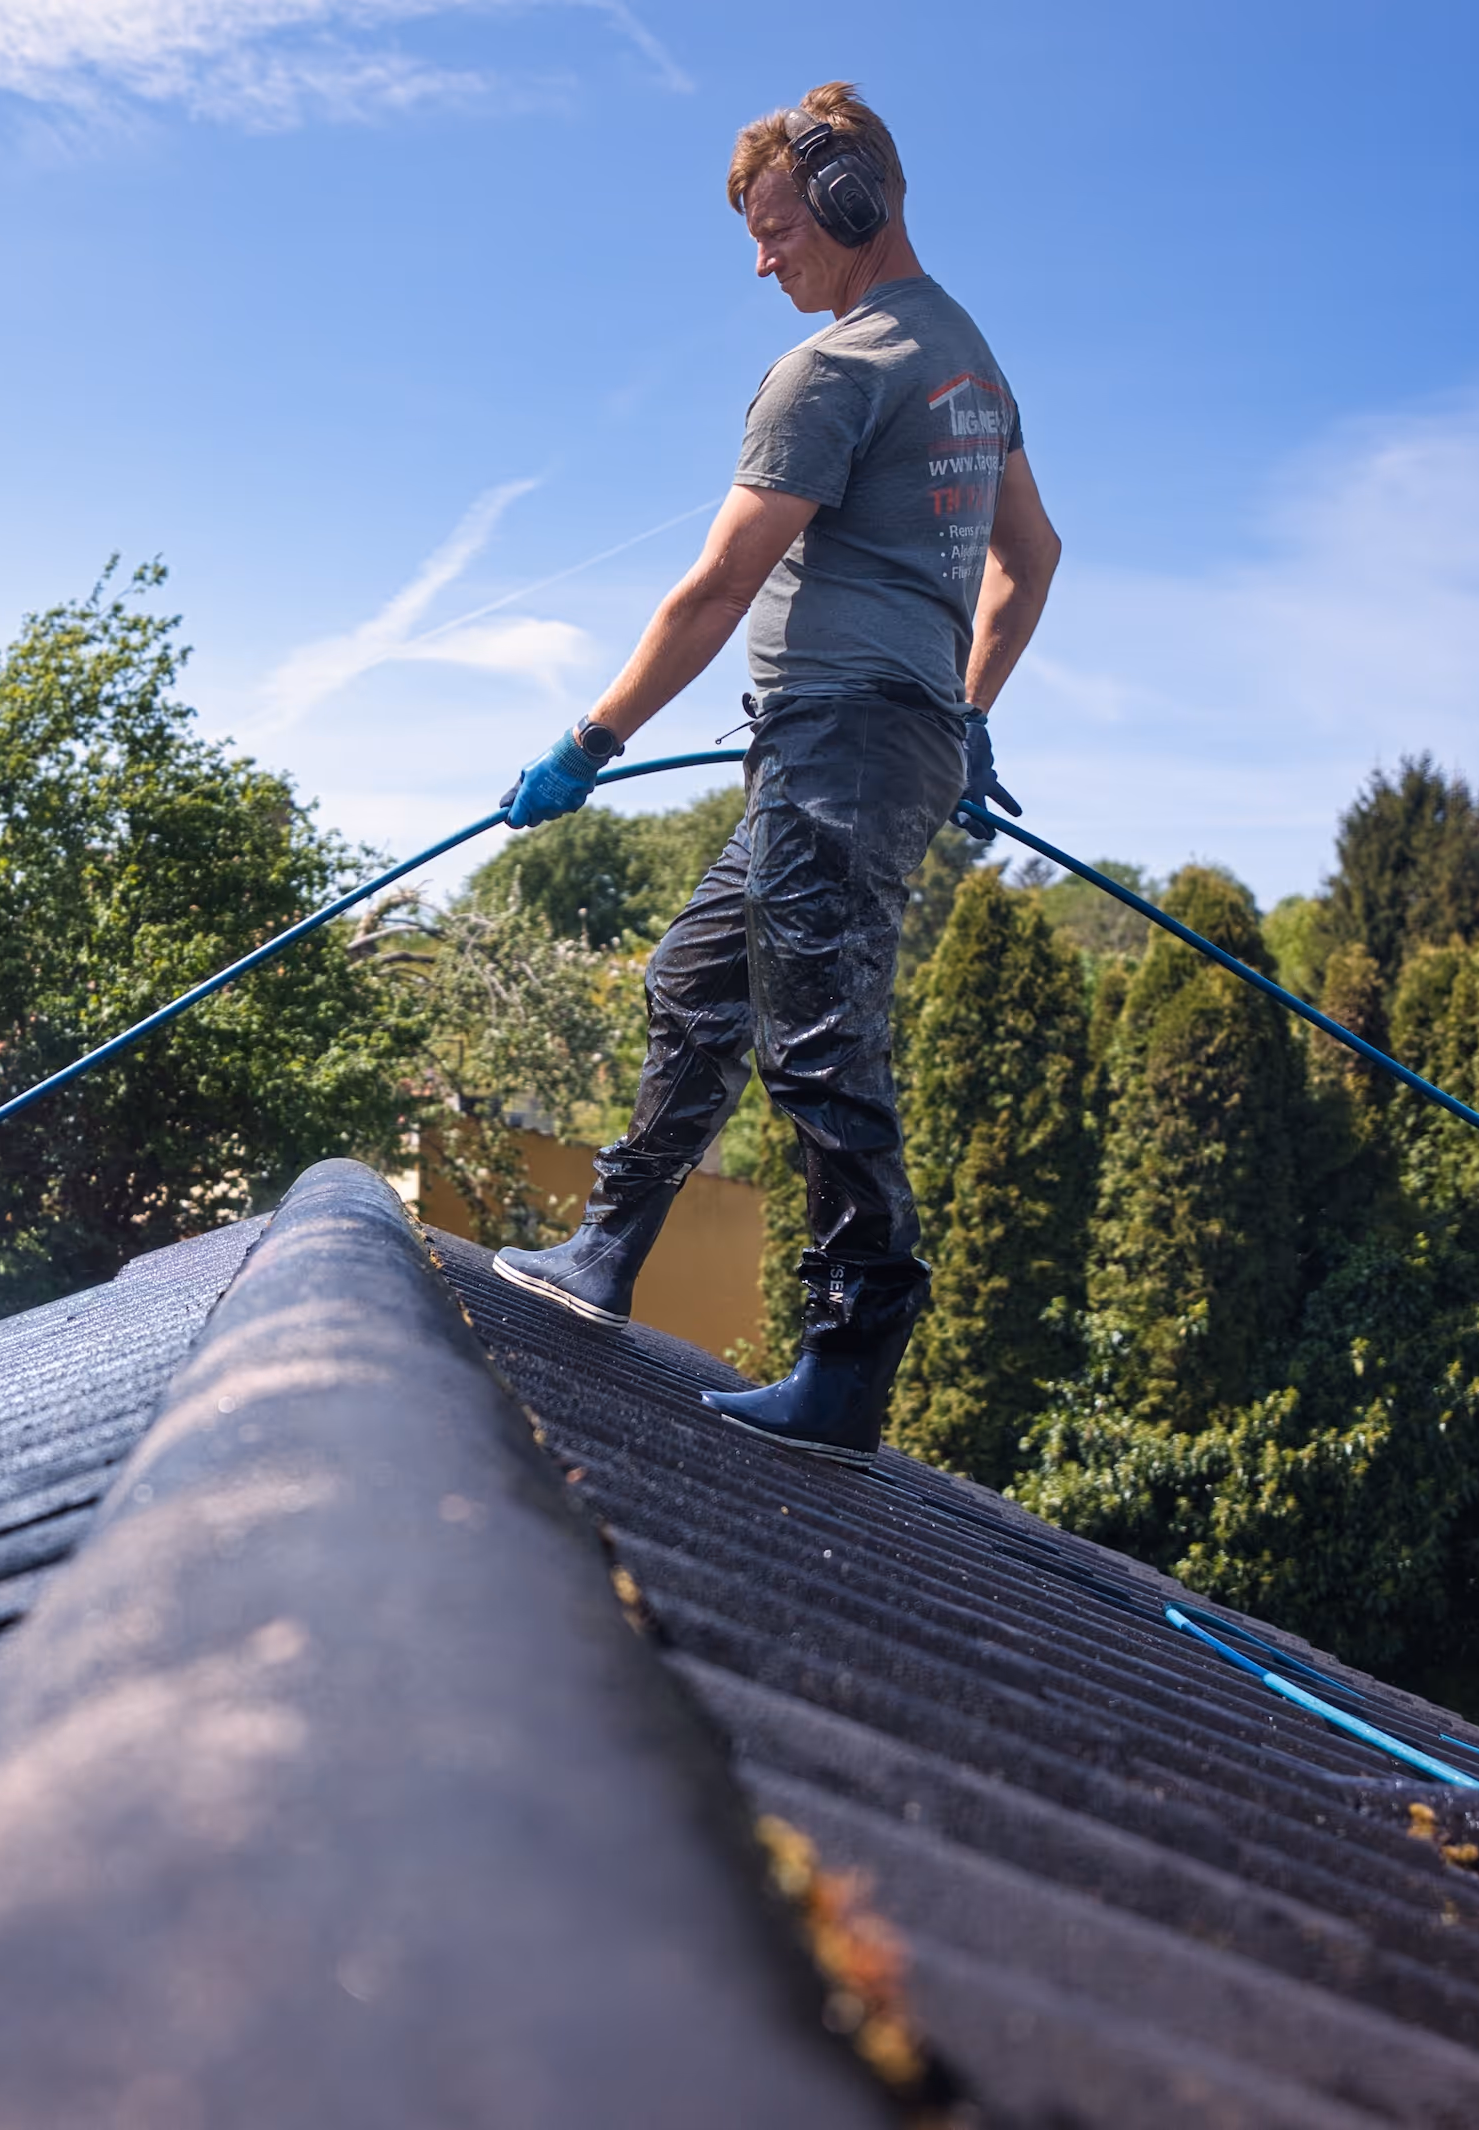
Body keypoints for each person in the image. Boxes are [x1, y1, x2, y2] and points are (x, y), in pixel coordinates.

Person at [490, 80, 1062, 1464]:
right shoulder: (966, 361)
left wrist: (590, 740)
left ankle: (849, 1360)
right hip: (866, 737)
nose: (761, 261)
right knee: (696, 983)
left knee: (816, 1040)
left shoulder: (841, 368)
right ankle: (606, 1248)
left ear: (855, 201)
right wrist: (964, 711)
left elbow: (712, 587)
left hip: (839, 742)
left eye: (776, 226)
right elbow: (1027, 560)